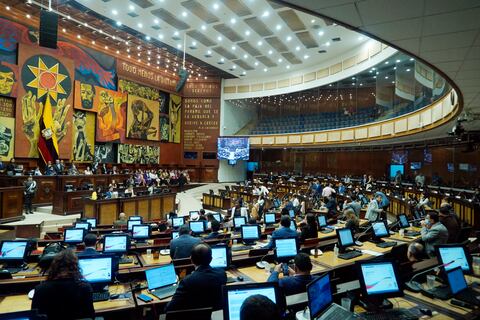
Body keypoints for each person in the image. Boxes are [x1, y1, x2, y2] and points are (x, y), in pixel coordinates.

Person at [31, 249, 95, 320]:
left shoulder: (41, 289)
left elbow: (35, 317)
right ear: (76, 267)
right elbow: (90, 315)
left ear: (54, 267)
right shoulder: (85, 287)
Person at [165, 243, 227, 312]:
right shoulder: (222, 274)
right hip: (216, 315)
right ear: (211, 259)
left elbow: (170, 308)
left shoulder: (187, 281)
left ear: (191, 259)